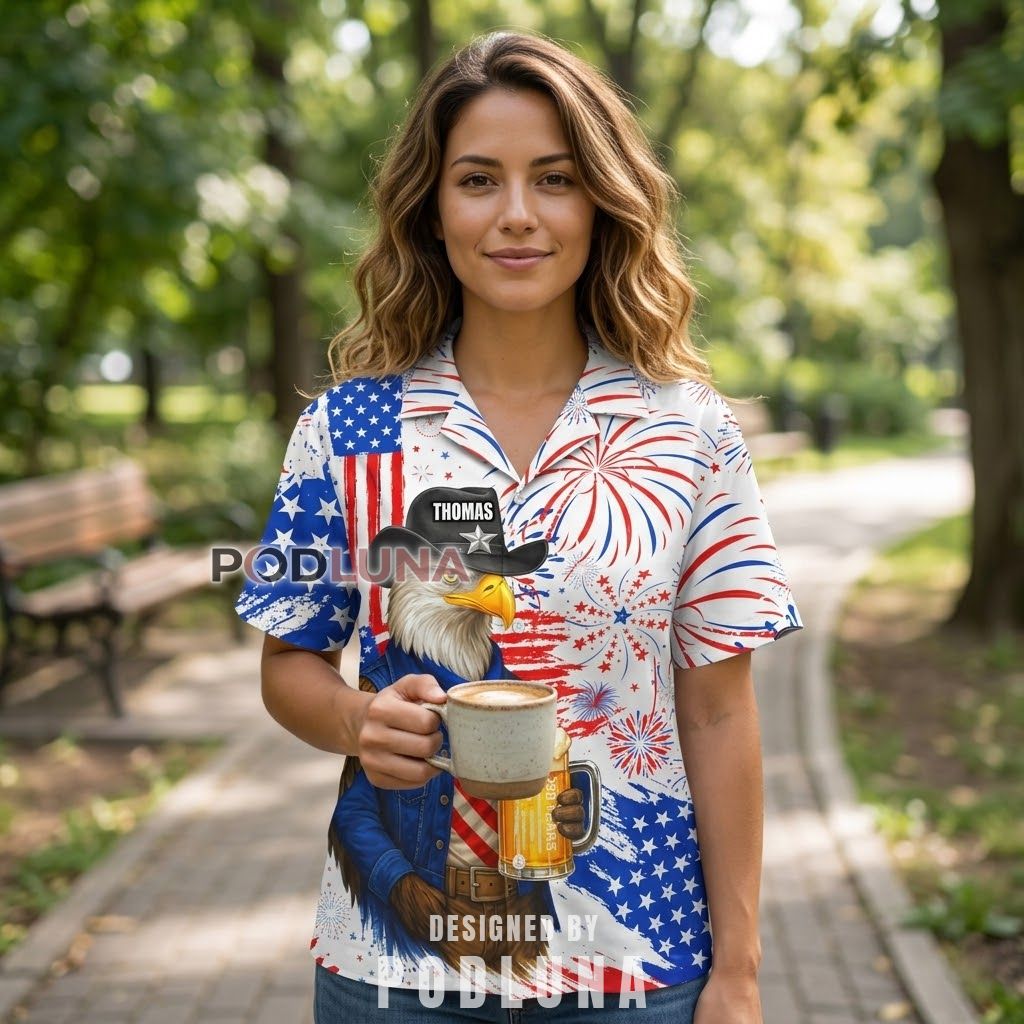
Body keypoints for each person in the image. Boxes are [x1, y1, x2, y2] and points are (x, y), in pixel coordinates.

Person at [234, 29, 803, 1024]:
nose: (515, 216)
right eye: (477, 180)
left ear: (601, 201)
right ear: (432, 207)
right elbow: (290, 663)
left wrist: (739, 970)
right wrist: (357, 722)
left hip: (634, 967)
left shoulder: (688, 433)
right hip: (395, 972)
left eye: (554, 178)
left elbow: (716, 710)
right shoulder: (348, 429)